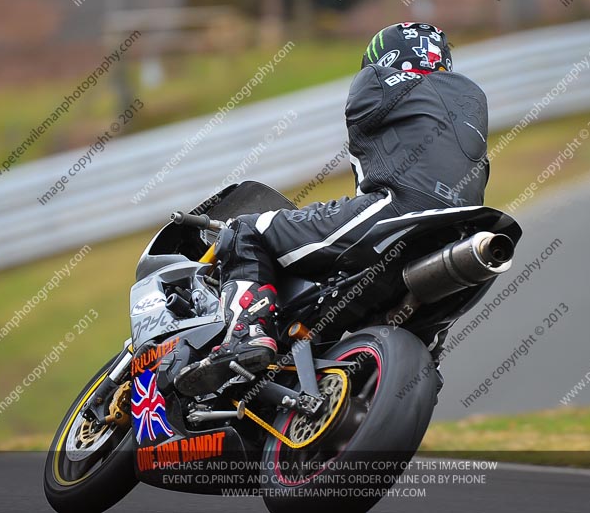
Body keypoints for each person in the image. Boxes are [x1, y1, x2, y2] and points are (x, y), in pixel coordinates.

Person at [175, 22, 490, 397]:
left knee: (246, 230)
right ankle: (418, 378)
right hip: (468, 236)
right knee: (425, 343)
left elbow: (369, 168)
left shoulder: (374, 82)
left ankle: (248, 334)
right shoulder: (473, 101)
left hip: (396, 214)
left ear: (383, 58)